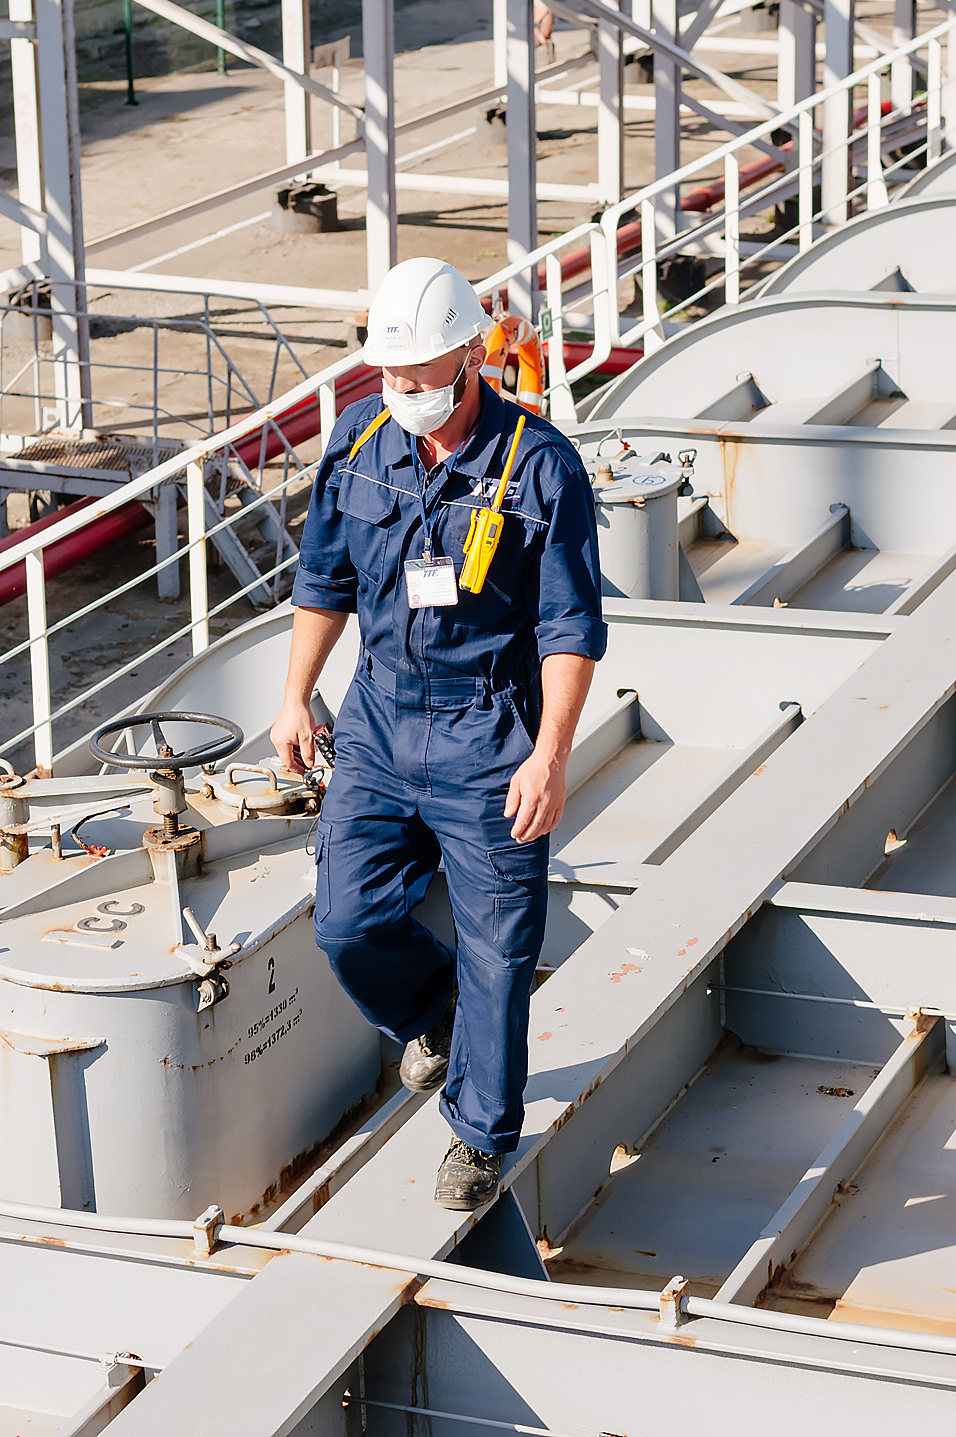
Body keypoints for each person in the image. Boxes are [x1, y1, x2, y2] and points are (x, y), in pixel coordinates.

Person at [271, 257, 606, 1213]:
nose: (406, 397)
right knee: (344, 920)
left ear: (470, 357)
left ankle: (479, 1134)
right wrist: (297, 696)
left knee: (500, 947)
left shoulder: (541, 467)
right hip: (378, 719)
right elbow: (324, 581)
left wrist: (550, 757)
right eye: (391, 379)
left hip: (488, 729)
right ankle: (431, 1009)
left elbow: (570, 629)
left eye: (422, 381)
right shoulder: (358, 441)